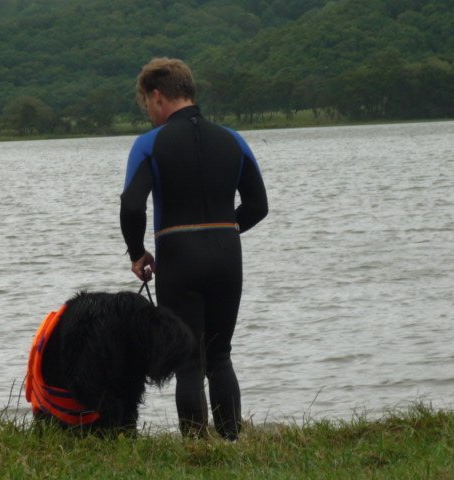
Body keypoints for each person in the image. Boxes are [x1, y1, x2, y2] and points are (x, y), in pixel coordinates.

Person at [120, 58, 268, 440]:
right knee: (220, 355)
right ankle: (232, 442)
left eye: (147, 105)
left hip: (177, 253)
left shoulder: (149, 144)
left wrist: (137, 253)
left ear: (157, 97)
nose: (150, 113)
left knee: (189, 361)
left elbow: (132, 206)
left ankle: (197, 449)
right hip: (225, 253)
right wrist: (224, 230)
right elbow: (258, 206)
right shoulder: (233, 139)